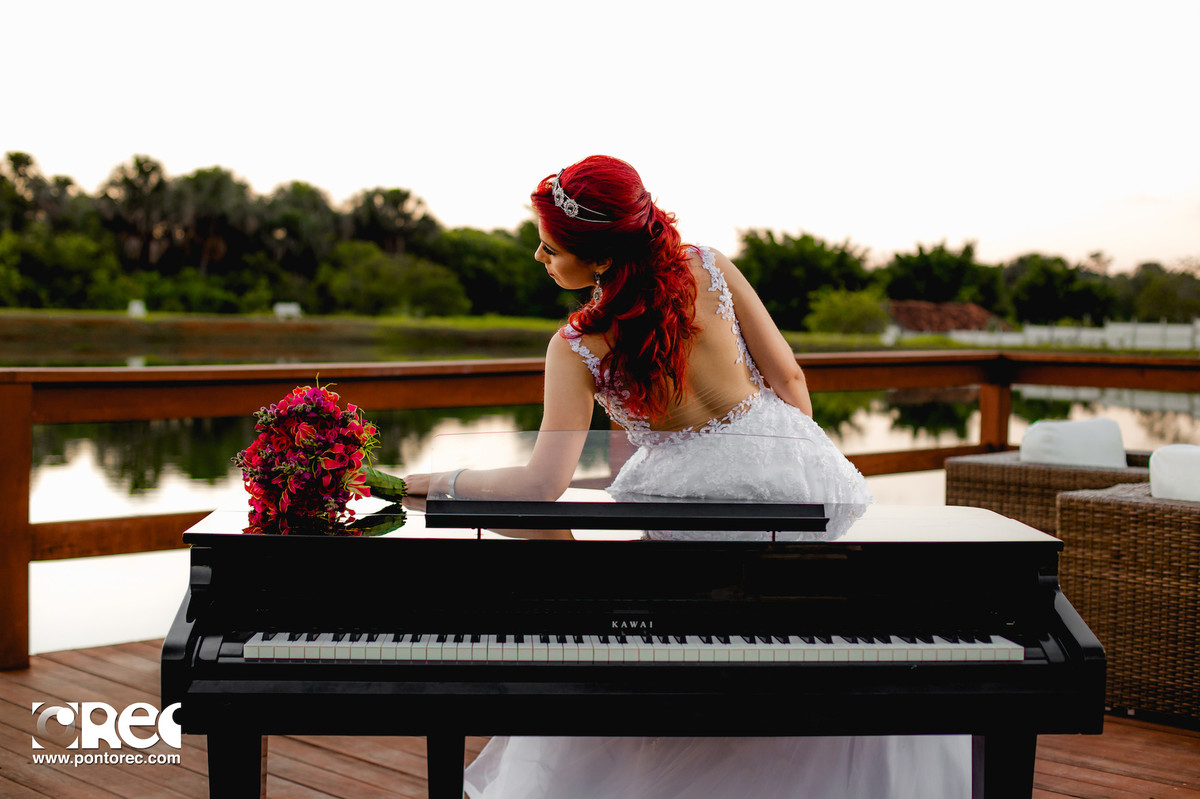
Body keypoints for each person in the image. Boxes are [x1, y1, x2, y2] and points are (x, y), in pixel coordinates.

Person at [403, 155, 970, 798]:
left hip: (690, 509)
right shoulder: (709, 264)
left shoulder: (579, 345)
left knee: (664, 622)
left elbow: (541, 487)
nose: (538, 257)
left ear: (601, 261)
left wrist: (436, 482)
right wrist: (783, 453)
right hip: (802, 486)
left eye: (549, 247)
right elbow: (790, 381)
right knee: (804, 628)